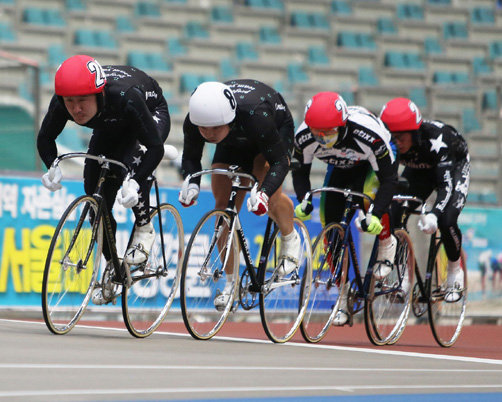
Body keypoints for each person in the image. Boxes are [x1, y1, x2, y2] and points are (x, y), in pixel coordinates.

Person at [37, 55, 171, 304]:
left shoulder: (125, 95)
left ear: (98, 93)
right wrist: (52, 164)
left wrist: (134, 181)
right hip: (110, 123)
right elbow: (45, 137)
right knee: (94, 196)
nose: (76, 109)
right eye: (70, 102)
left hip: (148, 112)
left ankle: (144, 227)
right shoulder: (62, 102)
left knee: (135, 163)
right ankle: (114, 268)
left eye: (82, 101)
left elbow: (155, 147)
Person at [179, 79, 298, 310]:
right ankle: (230, 283)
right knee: (222, 209)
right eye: (203, 128)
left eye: (213, 128)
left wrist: (263, 193)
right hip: (232, 138)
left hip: (270, 128)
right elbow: (191, 157)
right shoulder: (198, 120)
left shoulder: (256, 116)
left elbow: (279, 163)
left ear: (227, 118)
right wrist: (192, 182)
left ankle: (290, 237)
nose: (208, 134)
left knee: (270, 198)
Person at [292, 92, 398, 326]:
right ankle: (342, 296)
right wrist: (304, 199)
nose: (321, 139)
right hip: (340, 165)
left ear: (342, 125)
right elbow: (300, 172)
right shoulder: (303, 136)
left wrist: (377, 215)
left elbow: (390, 180)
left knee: (369, 201)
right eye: (316, 133)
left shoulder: (368, 135)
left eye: (328, 133)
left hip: (372, 165)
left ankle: (387, 241)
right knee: (329, 221)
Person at [380, 97, 469, 302]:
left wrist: (434, 214)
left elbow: (445, 185)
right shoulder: (389, 143)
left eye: (401, 137)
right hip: (419, 169)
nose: (397, 143)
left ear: (414, 133)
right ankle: (403, 277)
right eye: (392, 138)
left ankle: (455, 272)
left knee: (447, 220)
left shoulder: (439, 139)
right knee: (394, 212)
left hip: (453, 167)